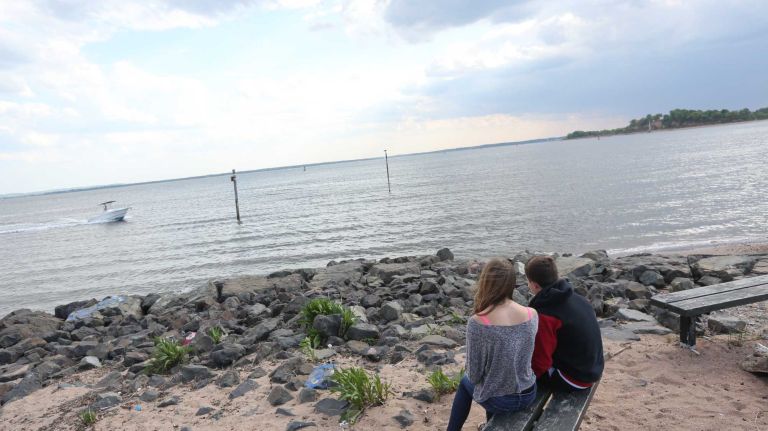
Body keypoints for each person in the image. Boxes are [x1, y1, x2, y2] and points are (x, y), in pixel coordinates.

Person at [447, 258, 538, 431]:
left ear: (485, 282)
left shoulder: (478, 322)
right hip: (529, 392)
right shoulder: (531, 314)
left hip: (502, 401)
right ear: (511, 283)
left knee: (466, 382)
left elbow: (474, 376)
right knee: (492, 383)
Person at [526, 256, 604, 392]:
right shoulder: (577, 298)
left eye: (528, 282)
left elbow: (541, 363)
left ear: (534, 285)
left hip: (575, 379)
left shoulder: (546, 315)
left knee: (521, 371)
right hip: (593, 368)